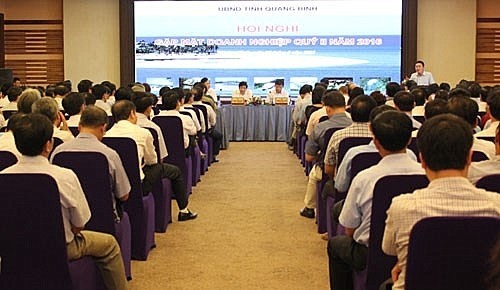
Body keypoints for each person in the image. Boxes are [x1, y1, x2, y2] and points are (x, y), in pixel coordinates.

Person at [1, 113, 127, 290]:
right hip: (61, 247)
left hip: (12, 247)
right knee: (110, 245)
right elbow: (80, 224)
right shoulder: (64, 176)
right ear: (48, 144)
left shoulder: (3, 176)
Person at [381, 114, 500, 290]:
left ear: (422, 160)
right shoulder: (496, 204)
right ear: (469, 157)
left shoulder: (403, 206)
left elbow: (389, 250)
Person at [328, 110, 423, 290]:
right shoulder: (425, 175)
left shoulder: (365, 178)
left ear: (376, 142)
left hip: (370, 251)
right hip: (420, 249)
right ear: (409, 140)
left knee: (336, 245)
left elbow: (349, 230)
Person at [106, 100, 197, 221]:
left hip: (114, 184)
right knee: (175, 171)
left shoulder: (107, 134)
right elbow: (152, 161)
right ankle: (183, 210)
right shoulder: (143, 132)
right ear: (132, 114)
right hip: (139, 183)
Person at [51, 105, 130, 218]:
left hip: (68, 219)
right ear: (103, 128)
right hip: (104, 217)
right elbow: (124, 195)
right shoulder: (109, 154)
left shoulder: (58, 151)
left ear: (79, 126)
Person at [334, 105, 417, 193]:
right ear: (410, 140)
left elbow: (340, 186)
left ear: (376, 141)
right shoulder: (417, 165)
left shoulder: (362, 176)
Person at [300, 91, 353, 218]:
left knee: (314, 175)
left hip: (330, 170)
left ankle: (309, 208)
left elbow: (309, 157)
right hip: (358, 170)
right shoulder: (353, 122)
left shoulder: (321, 127)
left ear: (327, 109)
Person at [324, 95, 378, 178]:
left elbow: (328, 169)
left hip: (345, 185)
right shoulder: (381, 137)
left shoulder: (338, 135)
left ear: (350, 113)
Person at [192, 84, 223, 162]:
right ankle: (213, 155)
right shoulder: (207, 107)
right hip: (205, 132)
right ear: (203, 94)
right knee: (219, 135)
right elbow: (213, 121)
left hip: (191, 134)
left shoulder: (186, 109)